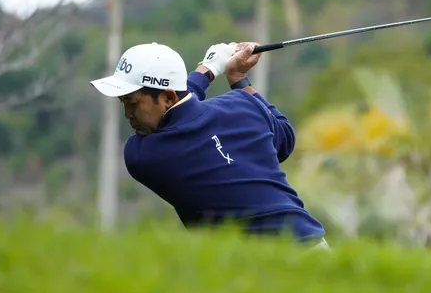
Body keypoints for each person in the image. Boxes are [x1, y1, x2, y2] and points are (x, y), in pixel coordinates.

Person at [90, 41, 330, 250]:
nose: (127, 113)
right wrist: (239, 79)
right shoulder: (244, 103)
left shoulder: (144, 154)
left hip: (265, 264)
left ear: (168, 98)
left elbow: (187, 99)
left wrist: (208, 70)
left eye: (132, 102)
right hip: (312, 246)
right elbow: (285, 138)